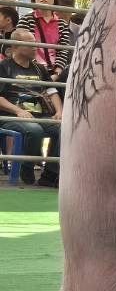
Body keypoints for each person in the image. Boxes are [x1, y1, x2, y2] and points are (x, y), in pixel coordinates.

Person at [0, 31, 63, 186]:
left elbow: (51, 90)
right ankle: (26, 167)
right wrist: (18, 111)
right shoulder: (3, 67)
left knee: (64, 129)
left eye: (36, 42)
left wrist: (59, 111)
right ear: (15, 46)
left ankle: (50, 174)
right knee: (35, 131)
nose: (36, 46)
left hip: (40, 115)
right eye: (30, 43)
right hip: (11, 116)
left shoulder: (39, 68)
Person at [23, 0, 72, 85]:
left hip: (55, 72)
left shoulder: (62, 23)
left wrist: (56, 73)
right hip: (30, 70)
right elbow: (22, 48)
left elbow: (63, 51)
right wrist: (40, 74)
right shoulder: (26, 19)